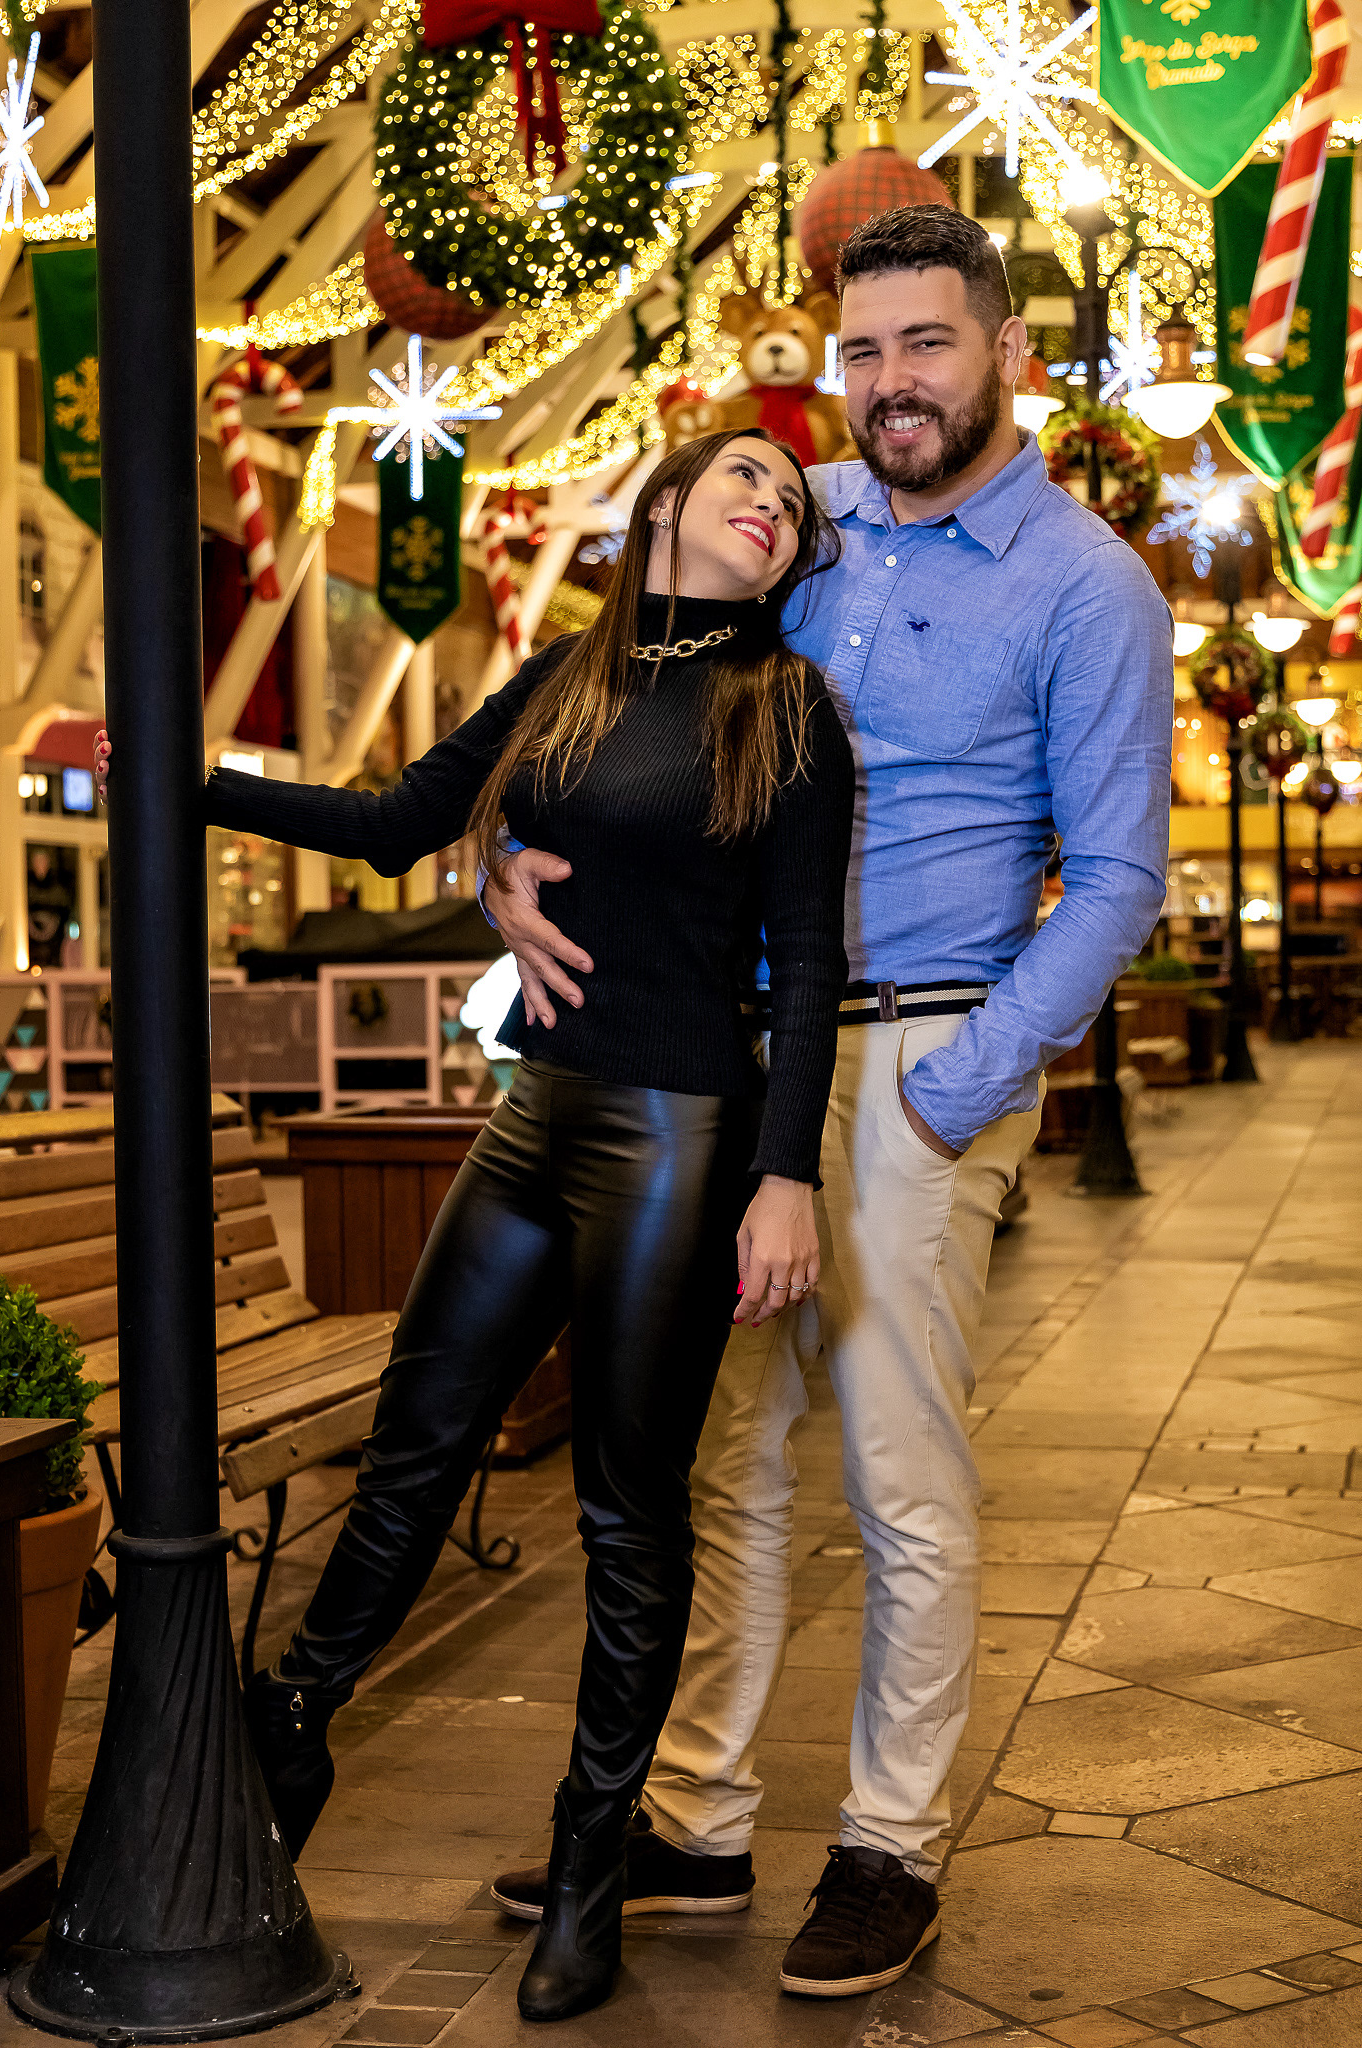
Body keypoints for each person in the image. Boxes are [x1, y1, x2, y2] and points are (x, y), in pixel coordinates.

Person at [486, 207, 1174, 1997]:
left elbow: (1116, 877)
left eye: (925, 344)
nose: (888, 383)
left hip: (919, 1053)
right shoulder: (799, 529)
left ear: (1005, 349)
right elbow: (615, 701)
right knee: (722, 1455)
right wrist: (505, 859)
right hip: (737, 1055)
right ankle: (698, 1817)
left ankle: (887, 1843)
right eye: (862, 351)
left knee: (896, 1471)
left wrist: (960, 1090)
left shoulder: (1084, 583)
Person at [95, 427, 852, 2025]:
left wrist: (784, 1177)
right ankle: (289, 1734)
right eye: (745, 478)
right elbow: (397, 822)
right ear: (662, 503)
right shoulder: (570, 677)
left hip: (679, 1130)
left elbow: (803, 959)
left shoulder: (784, 708)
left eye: (791, 503)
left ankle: (588, 1866)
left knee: (626, 1514)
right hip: (533, 1116)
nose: (772, 506)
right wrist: (187, 786)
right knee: (414, 1450)